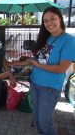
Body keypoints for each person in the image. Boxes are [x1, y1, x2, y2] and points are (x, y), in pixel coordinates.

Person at [26, 7, 75, 135]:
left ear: (60, 18)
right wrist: (13, 63)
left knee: (44, 121)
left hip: (49, 88)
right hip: (35, 83)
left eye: (52, 18)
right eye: (45, 20)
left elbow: (61, 68)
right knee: (37, 118)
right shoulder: (46, 38)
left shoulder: (69, 40)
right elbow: (38, 59)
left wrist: (35, 64)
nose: (49, 23)